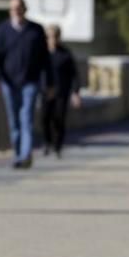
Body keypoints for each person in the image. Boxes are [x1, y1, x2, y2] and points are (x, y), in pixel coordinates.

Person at [0, 0, 54, 169]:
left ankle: (25, 155)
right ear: (10, 11)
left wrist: (49, 82)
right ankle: (17, 153)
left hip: (30, 82)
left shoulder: (36, 31)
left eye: (19, 7)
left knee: (26, 119)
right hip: (9, 83)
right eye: (13, 8)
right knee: (14, 121)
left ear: (25, 9)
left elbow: (45, 59)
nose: (16, 11)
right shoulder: (2, 31)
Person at [42, 25, 82, 158]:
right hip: (46, 91)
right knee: (45, 118)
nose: (52, 39)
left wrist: (76, 92)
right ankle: (47, 142)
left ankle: (57, 146)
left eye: (55, 36)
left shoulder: (65, 54)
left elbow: (74, 74)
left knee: (59, 118)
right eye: (49, 37)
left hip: (61, 91)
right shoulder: (42, 54)